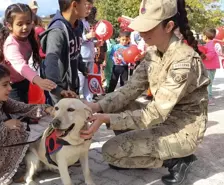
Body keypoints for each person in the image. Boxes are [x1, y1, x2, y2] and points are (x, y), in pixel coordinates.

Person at [81, 0, 210, 185]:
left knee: (110, 152)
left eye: (148, 27)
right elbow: (129, 90)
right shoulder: (153, 53)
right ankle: (136, 147)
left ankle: (178, 160)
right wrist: (96, 106)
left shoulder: (184, 61)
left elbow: (156, 112)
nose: (142, 33)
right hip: (163, 121)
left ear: (169, 26)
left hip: (182, 131)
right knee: (114, 104)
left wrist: (107, 118)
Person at [0, 3, 56, 104]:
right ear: (9, 26)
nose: (25, 27)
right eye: (20, 24)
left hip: (23, 81)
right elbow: (21, 65)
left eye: (28, 23)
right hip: (10, 85)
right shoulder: (11, 45)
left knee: (25, 107)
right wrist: (38, 80)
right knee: (18, 114)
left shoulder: (27, 38)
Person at [40, 0, 88, 105]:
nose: (88, 8)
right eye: (85, 4)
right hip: (61, 90)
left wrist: (82, 67)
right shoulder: (57, 31)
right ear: (74, 5)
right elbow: (51, 61)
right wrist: (57, 89)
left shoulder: (78, 25)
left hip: (73, 84)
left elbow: (76, 50)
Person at [79, 1, 95, 102]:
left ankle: (89, 104)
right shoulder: (77, 22)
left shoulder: (86, 22)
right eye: (87, 8)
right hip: (82, 58)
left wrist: (95, 43)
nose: (89, 11)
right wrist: (87, 36)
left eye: (90, 9)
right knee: (80, 84)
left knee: (88, 84)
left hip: (90, 56)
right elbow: (76, 39)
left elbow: (88, 40)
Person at [202, 28, 220, 106]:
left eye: (203, 35)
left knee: (208, 83)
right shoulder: (210, 43)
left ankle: (209, 98)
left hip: (209, 67)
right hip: (210, 67)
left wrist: (204, 56)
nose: (202, 37)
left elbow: (211, 54)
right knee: (209, 82)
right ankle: (210, 96)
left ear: (206, 36)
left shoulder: (210, 44)